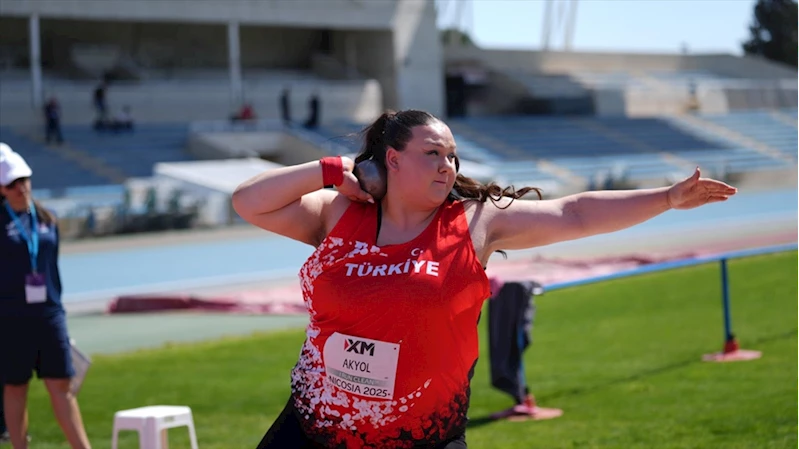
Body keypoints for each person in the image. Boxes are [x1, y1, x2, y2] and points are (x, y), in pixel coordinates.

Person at [232, 109, 736, 449]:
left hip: (422, 436)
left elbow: (574, 213)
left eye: (452, 155)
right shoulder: (340, 213)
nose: (447, 165)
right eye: (432, 153)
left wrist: (666, 198)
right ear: (390, 159)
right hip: (317, 428)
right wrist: (330, 168)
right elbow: (248, 201)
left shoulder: (475, 223)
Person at [0, 143, 93, 449]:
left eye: (24, 180)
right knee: (15, 388)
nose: (21, 188)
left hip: (49, 315)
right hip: (11, 318)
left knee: (62, 385)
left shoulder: (46, 218)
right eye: (12, 184)